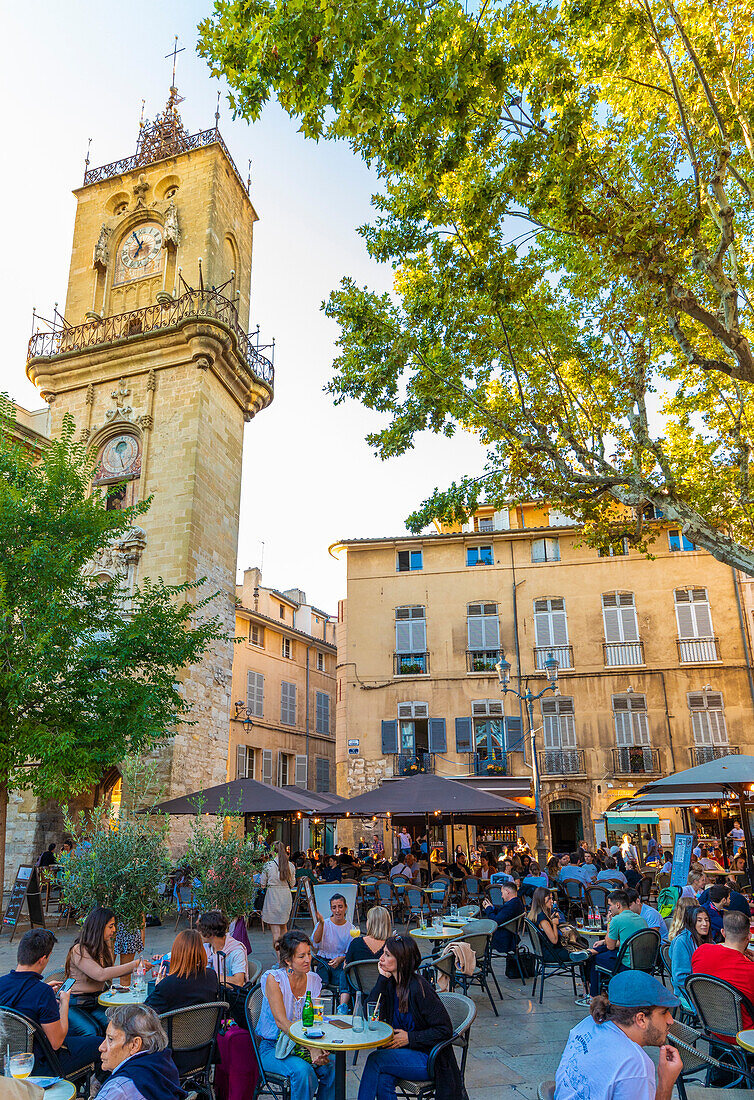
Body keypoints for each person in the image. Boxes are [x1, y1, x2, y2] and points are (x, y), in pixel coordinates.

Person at [357, 935, 461, 1100]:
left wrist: (410, 1038)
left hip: (428, 1058)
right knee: (383, 1079)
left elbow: (444, 1030)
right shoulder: (390, 984)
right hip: (402, 1054)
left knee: (375, 1060)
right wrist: (382, 979)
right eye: (383, 953)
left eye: (387, 955)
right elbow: (370, 1015)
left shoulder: (419, 988)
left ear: (402, 961)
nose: (381, 958)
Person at [555, 970, 682, 1100]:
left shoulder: (588, 1023)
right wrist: (666, 1083)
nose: (670, 1020)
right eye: (664, 1012)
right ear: (641, 1019)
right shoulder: (634, 1064)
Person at [0, 929, 102, 1080]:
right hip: (40, 1065)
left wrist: (43, 988)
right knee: (102, 1045)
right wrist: (65, 1003)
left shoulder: (3, 983)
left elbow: (20, 1004)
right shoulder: (42, 993)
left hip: (7, 1062)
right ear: (42, 959)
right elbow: (56, 1042)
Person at [254, 930, 335, 1100]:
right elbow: (282, 1022)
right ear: (287, 960)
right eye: (301, 956)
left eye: (308, 954)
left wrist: (320, 1047)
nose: (308, 959)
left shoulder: (313, 980)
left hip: (303, 1044)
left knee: (333, 1065)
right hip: (273, 1047)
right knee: (303, 1072)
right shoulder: (274, 979)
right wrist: (311, 1048)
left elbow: (314, 1020)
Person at [65, 906, 144, 1035]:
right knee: (92, 1031)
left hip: (98, 1000)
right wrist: (134, 965)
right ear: (99, 927)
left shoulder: (103, 946)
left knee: (121, 1028)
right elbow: (100, 974)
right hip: (76, 1004)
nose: (114, 930)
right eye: (111, 926)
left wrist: (139, 967)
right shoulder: (78, 950)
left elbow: (109, 972)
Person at [95, 1004, 185, 1100]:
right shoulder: (163, 1062)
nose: (101, 1047)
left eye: (111, 1039)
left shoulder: (119, 1088)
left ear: (134, 1045)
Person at [692, 908, 754, 1033]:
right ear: (749, 936)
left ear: (723, 933)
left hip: (712, 1027)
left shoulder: (700, 952)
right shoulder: (750, 971)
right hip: (744, 1034)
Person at [145, 929, 220, 1015]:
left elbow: (146, 1012)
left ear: (176, 952)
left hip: (173, 1028)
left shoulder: (168, 984)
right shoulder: (211, 975)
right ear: (201, 950)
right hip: (206, 1027)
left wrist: (157, 987)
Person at [587, 890, 648, 996]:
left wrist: (609, 923)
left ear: (618, 905)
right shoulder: (641, 919)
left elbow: (610, 946)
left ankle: (595, 996)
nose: (609, 908)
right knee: (604, 954)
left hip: (627, 964)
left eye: (610, 905)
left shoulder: (617, 920)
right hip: (644, 962)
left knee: (596, 959)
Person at [312, 894, 356, 1006]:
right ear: (331, 909)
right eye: (334, 907)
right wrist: (321, 924)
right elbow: (315, 943)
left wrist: (341, 959)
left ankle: (342, 1008)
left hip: (341, 962)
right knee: (318, 983)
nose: (337, 910)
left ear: (346, 907)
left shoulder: (351, 928)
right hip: (324, 961)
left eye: (340, 907)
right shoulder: (325, 923)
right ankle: (316, 1010)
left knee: (344, 979)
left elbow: (352, 951)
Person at [668, 904, 711, 1012]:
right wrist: (703, 986)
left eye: (706, 920)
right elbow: (679, 977)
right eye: (699, 920)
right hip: (688, 993)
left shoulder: (707, 940)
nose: (704, 924)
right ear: (692, 922)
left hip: (706, 988)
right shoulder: (682, 942)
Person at [197, 910, 249, 986]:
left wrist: (209, 976)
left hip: (229, 995)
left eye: (201, 930)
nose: (199, 933)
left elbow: (238, 982)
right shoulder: (206, 947)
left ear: (210, 933)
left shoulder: (236, 951)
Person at [261, 840, 297, 945]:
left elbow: (262, 884)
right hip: (285, 895)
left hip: (273, 896)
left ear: (273, 851)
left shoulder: (268, 865)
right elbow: (293, 883)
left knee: (275, 933)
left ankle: (279, 959)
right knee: (284, 928)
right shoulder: (290, 865)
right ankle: (285, 957)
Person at [483, 881, 524, 953]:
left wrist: (488, 909)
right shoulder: (516, 902)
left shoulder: (511, 905)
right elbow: (503, 914)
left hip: (504, 937)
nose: (501, 896)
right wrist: (492, 907)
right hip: (509, 934)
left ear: (507, 891)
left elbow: (495, 921)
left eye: (502, 893)